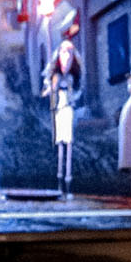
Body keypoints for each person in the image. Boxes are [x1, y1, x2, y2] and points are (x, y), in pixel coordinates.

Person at [42, 36, 81, 197]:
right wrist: (50, 90)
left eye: (69, 52)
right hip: (58, 108)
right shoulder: (55, 75)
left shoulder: (75, 75)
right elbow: (48, 89)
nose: (66, 56)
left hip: (68, 108)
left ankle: (68, 180)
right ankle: (59, 180)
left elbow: (79, 90)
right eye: (63, 52)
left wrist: (73, 98)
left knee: (68, 141)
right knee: (60, 142)